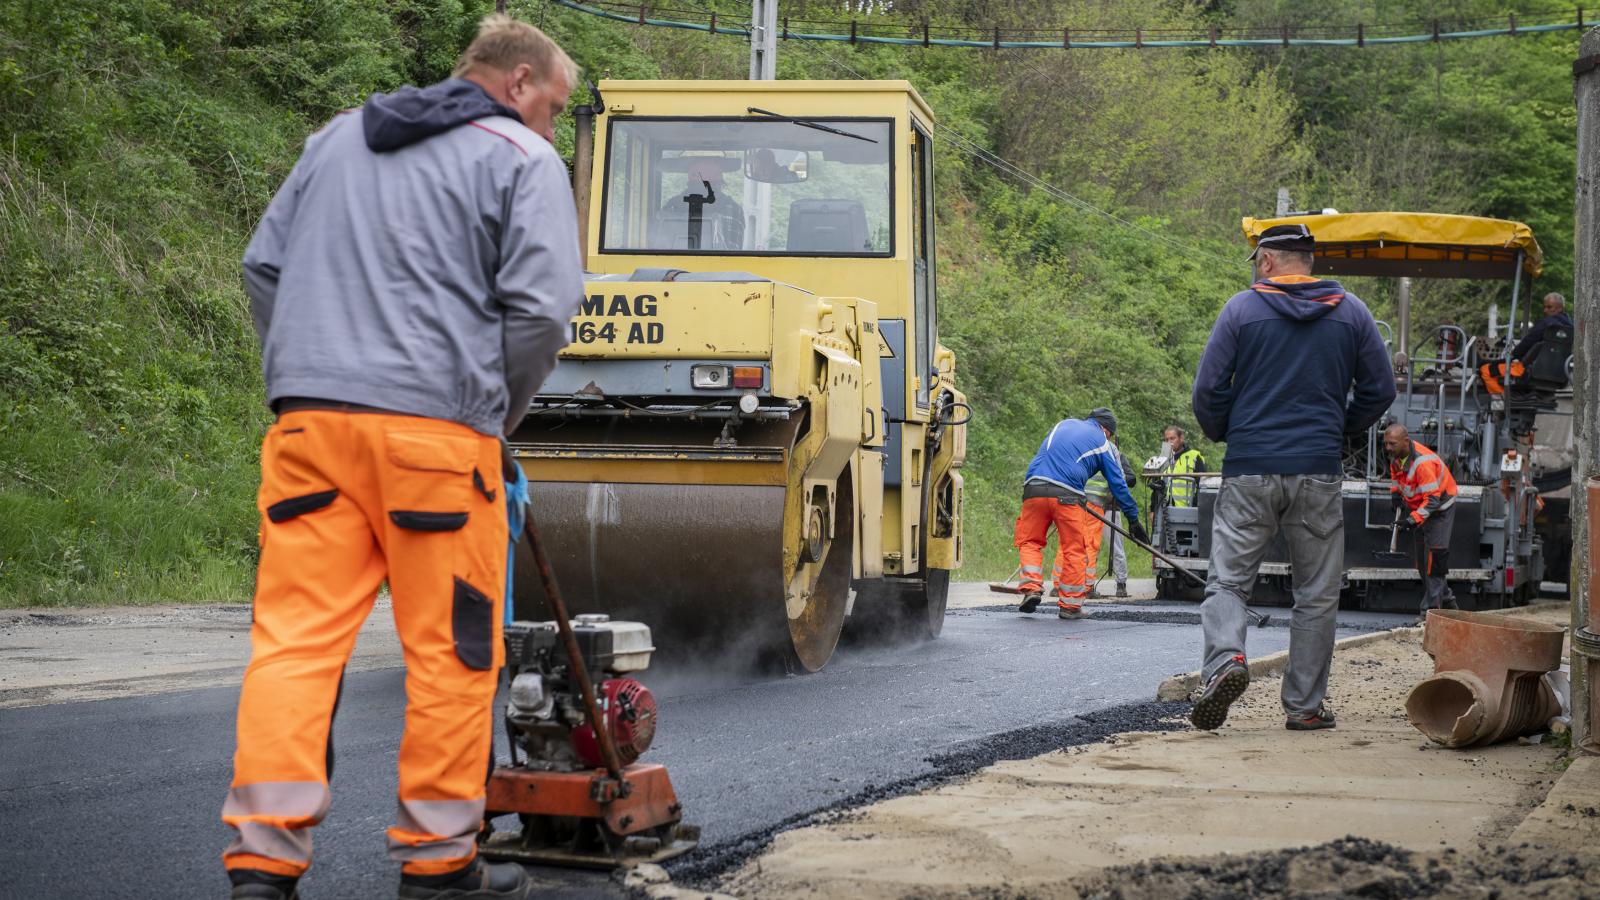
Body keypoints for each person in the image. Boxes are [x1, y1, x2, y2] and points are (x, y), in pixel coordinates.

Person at [224, 15, 584, 900]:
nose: (552, 126)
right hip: (437, 443)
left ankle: (261, 869)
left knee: (294, 647)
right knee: (452, 652)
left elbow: (263, 267)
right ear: (517, 83)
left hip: (309, 436)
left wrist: (305, 376)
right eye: (554, 106)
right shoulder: (521, 159)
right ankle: (437, 865)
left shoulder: (336, 138)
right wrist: (491, 411)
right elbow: (541, 313)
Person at [1189, 223, 1395, 733]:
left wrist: (1229, 432)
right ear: (1308, 261)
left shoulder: (1240, 310)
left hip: (1249, 471)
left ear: (1265, 261)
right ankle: (1304, 706)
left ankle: (1225, 663)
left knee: (1229, 583)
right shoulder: (1352, 313)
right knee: (1317, 594)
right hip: (1318, 471)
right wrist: (1341, 430)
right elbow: (1381, 388)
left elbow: (1208, 390)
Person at [1014, 407, 1147, 619]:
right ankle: (1070, 606)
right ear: (1105, 430)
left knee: (1029, 541)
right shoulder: (1102, 442)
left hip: (1033, 487)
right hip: (1067, 495)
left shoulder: (1063, 424)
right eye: (1110, 435)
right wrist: (1132, 518)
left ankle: (1031, 588)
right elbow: (1118, 484)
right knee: (1074, 549)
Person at [1383, 424, 1460, 624]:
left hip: (1440, 510)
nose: (1388, 448)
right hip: (1422, 509)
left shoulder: (1422, 463)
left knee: (1435, 562)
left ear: (1405, 442)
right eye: (1386, 444)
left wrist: (1411, 519)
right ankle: (1450, 605)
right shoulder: (1398, 457)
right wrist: (1395, 495)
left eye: (1392, 444)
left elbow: (1434, 501)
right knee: (1422, 564)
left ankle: (1430, 615)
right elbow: (1396, 476)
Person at [655, 155, 744, 251]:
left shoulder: (672, 206)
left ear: (690, 177)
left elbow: (659, 248)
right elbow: (733, 252)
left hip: (674, 265)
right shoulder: (732, 208)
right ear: (719, 178)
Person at [1083, 441, 1133, 599]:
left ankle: (1121, 583)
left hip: (1111, 508)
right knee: (1089, 545)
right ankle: (1086, 583)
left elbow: (1129, 478)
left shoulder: (1118, 456)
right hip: (1092, 506)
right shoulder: (1090, 457)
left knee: (1116, 546)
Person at [1511, 292, 1573, 361]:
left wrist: (1514, 353)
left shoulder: (1546, 324)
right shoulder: (1571, 327)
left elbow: (1527, 342)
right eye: (1545, 307)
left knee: (1498, 366)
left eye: (1549, 307)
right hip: (1563, 368)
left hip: (1537, 367)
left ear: (1560, 308)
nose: (1545, 310)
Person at [1157, 425, 1207, 508]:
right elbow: (1157, 485)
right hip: (1164, 510)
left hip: (1188, 511)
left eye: (1172, 438)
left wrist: (1195, 507)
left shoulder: (1194, 456)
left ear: (1181, 438)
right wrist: (1153, 509)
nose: (1169, 442)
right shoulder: (1163, 459)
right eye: (1166, 440)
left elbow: (1203, 485)